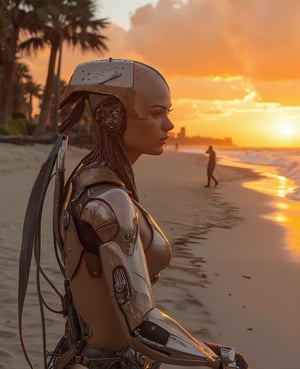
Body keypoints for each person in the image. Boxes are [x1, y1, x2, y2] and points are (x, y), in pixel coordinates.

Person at [18, 59, 249, 369]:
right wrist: (215, 360)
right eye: (156, 114)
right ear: (113, 116)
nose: (168, 126)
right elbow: (140, 326)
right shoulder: (110, 201)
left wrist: (207, 350)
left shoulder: (88, 180)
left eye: (168, 114)